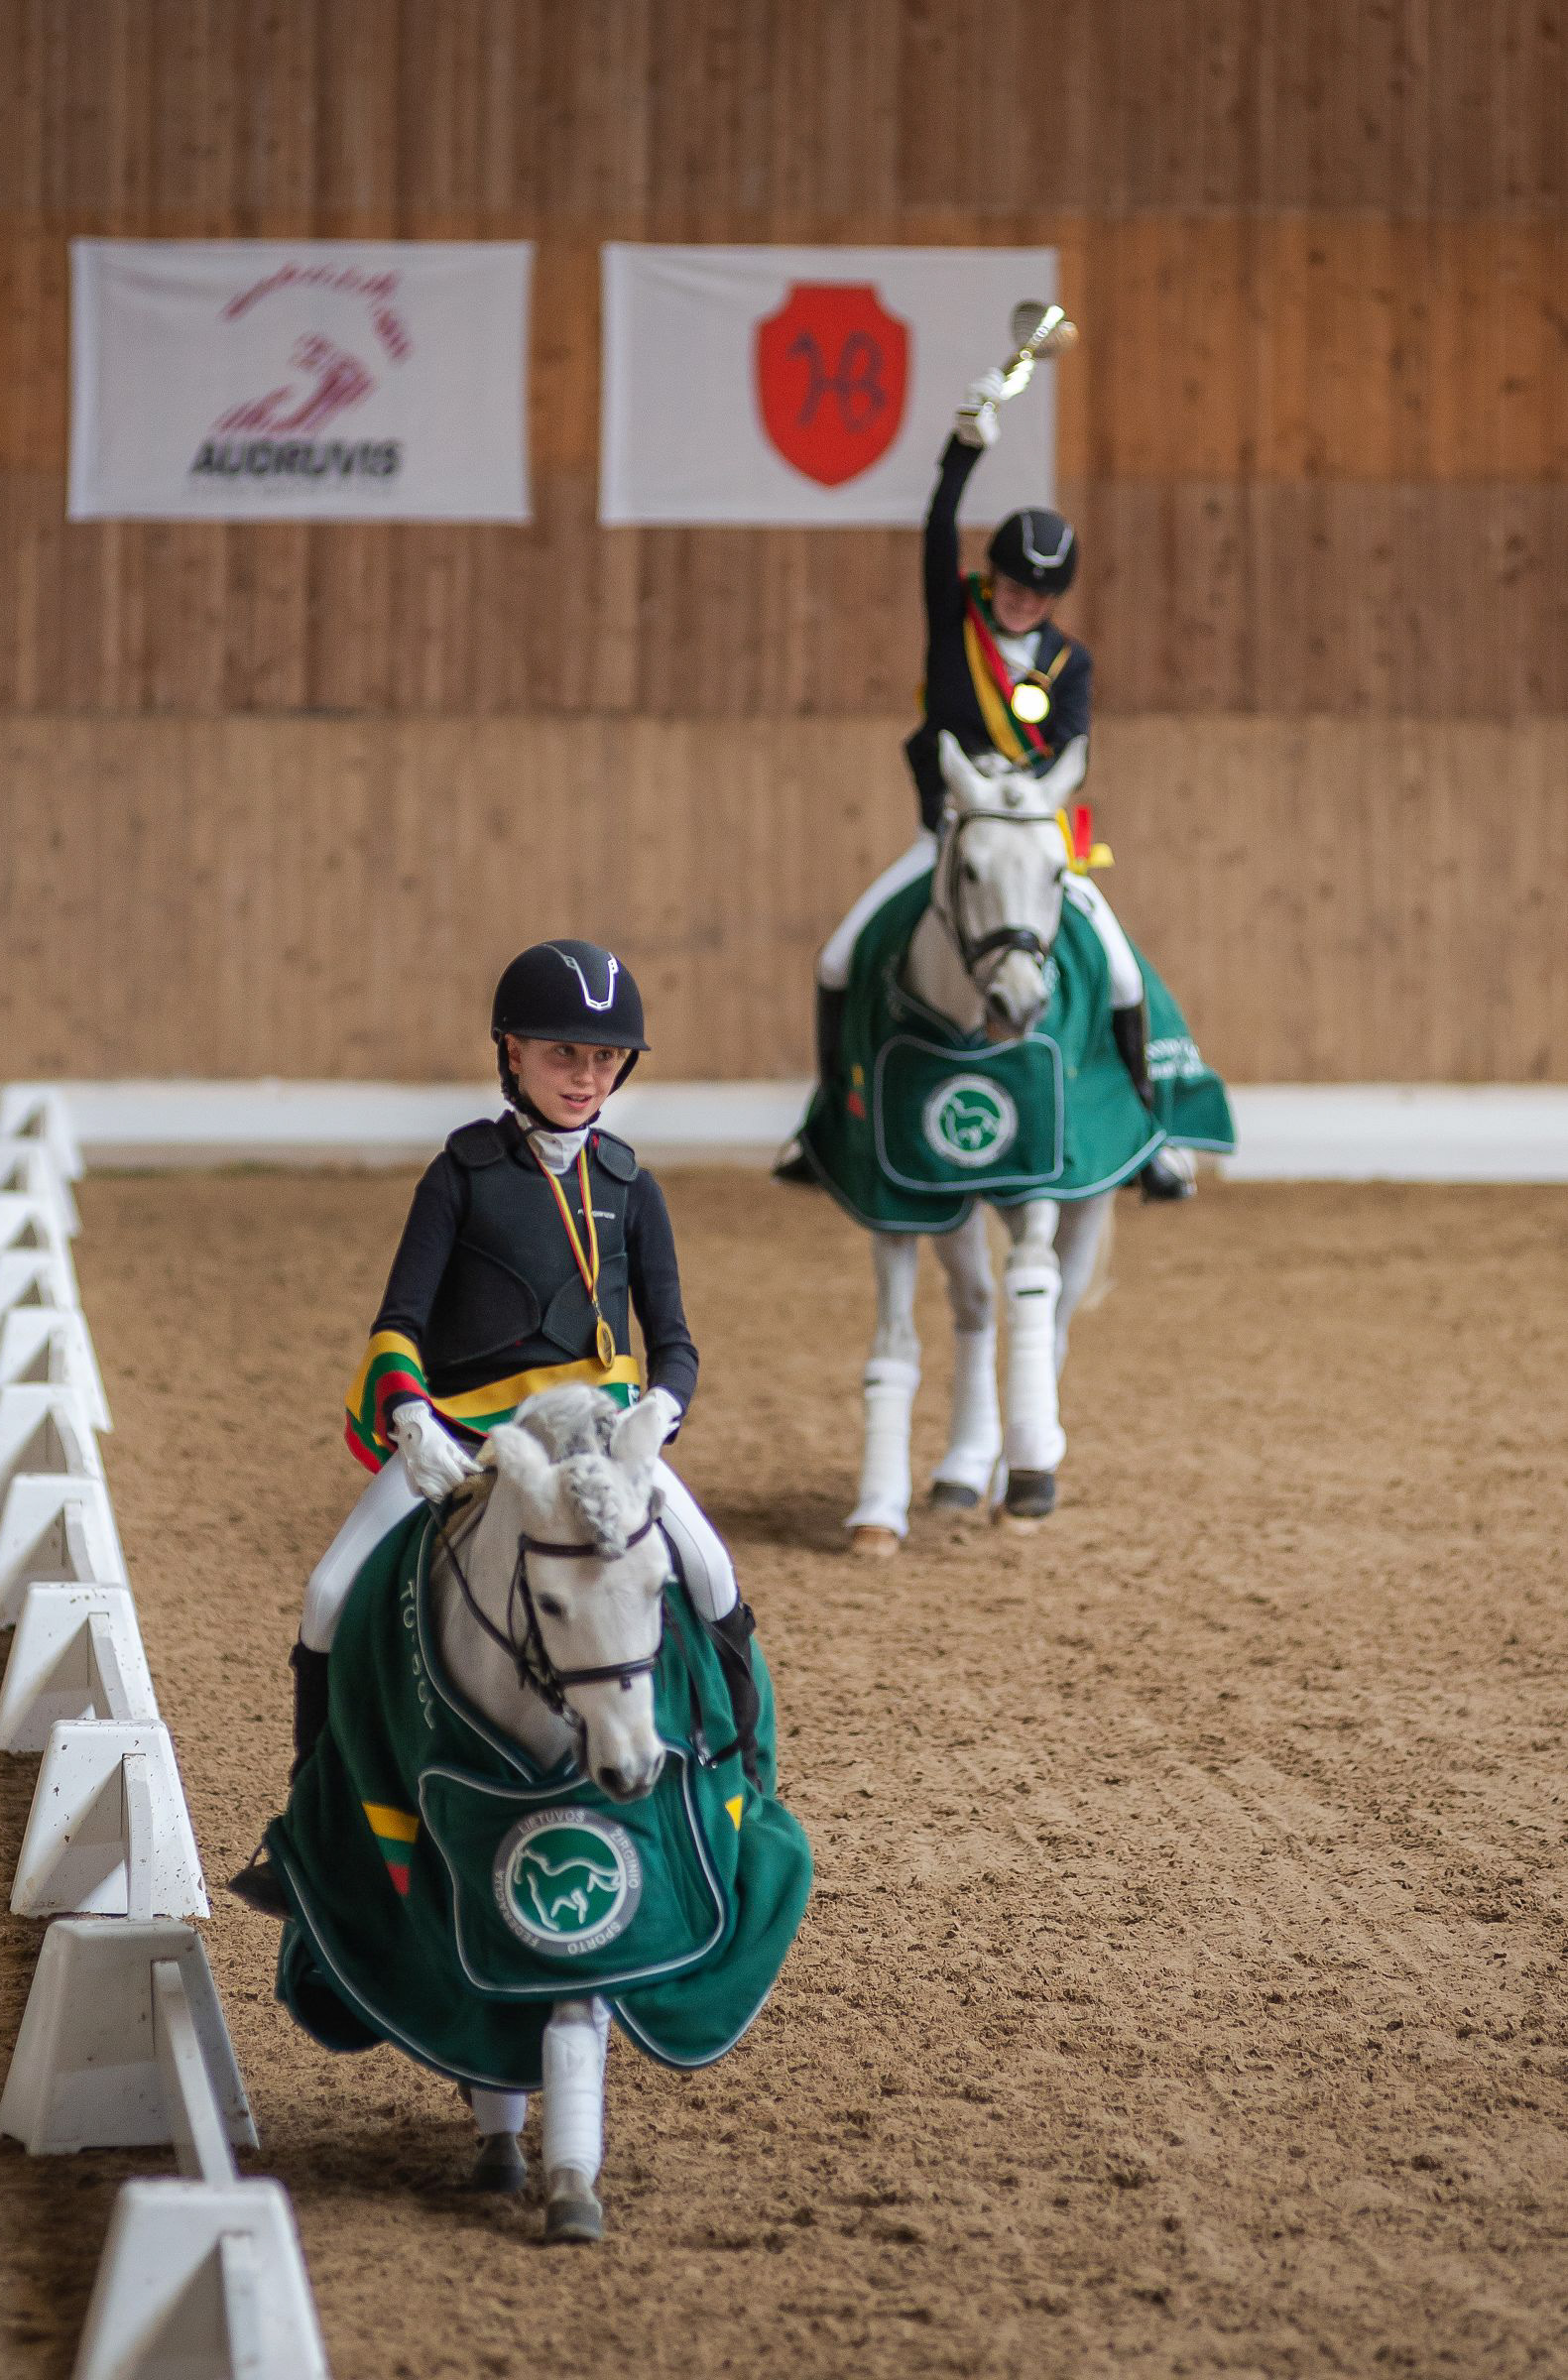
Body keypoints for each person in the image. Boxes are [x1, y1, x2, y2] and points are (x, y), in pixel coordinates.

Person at [231, 937, 753, 1916]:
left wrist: (660, 1410)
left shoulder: (631, 1184)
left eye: (603, 1059)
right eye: (562, 1055)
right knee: (331, 1592)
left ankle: (744, 1790)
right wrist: (409, 1416)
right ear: (511, 1052)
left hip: (597, 1439)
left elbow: (674, 1338)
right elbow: (399, 1321)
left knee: (712, 1572)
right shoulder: (461, 1174)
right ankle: (311, 1827)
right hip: (468, 1434)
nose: (584, 1076)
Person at [782, 368, 1193, 1202]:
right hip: (945, 840)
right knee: (836, 959)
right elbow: (936, 529)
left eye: (1036, 594)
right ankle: (824, 1123)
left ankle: (1148, 1132)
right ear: (993, 579)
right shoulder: (955, 621)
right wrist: (961, 452)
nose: (1020, 603)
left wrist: (1028, 807)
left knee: (1119, 973)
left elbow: (1070, 751)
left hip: (1033, 842)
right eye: (1011, 588)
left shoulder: (1070, 664)